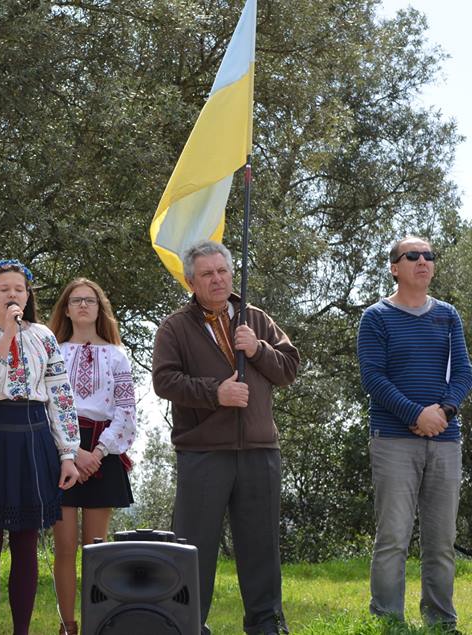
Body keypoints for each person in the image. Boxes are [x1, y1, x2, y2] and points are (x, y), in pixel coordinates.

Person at [152, 240, 299, 635]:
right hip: (203, 452)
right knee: (193, 548)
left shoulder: (257, 319)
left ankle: (267, 625)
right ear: (190, 282)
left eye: (222, 271)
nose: (217, 279)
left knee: (262, 547)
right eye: (207, 274)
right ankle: (186, 625)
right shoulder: (174, 327)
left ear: (232, 274)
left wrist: (258, 349)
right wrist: (216, 392)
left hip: (259, 450)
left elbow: (289, 368)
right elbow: (164, 381)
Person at [0, 259, 80, 635]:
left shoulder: (44, 336)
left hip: (33, 437)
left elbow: (61, 395)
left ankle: (22, 630)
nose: (12, 295)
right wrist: (5, 334)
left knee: (26, 540)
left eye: (19, 289)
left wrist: (68, 453)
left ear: (27, 295)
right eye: (4, 289)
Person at [357, 236, 472, 630]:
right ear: (394, 268)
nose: (423, 261)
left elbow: (463, 372)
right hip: (392, 440)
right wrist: (415, 414)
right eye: (413, 256)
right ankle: (388, 620)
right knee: (393, 537)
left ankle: (441, 621)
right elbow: (373, 378)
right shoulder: (375, 317)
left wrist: (444, 411)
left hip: (445, 440)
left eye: (428, 255)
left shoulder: (448, 316)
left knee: (441, 540)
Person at [48, 278, 137, 635]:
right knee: (65, 546)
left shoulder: (117, 355)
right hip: (61, 450)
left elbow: (126, 411)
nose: (83, 305)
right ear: (67, 309)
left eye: (90, 300)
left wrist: (97, 452)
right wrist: (72, 451)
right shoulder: (53, 350)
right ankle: (67, 626)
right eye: (76, 300)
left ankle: (96, 625)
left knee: (95, 549)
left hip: (104, 450)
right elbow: (48, 404)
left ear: (100, 309)